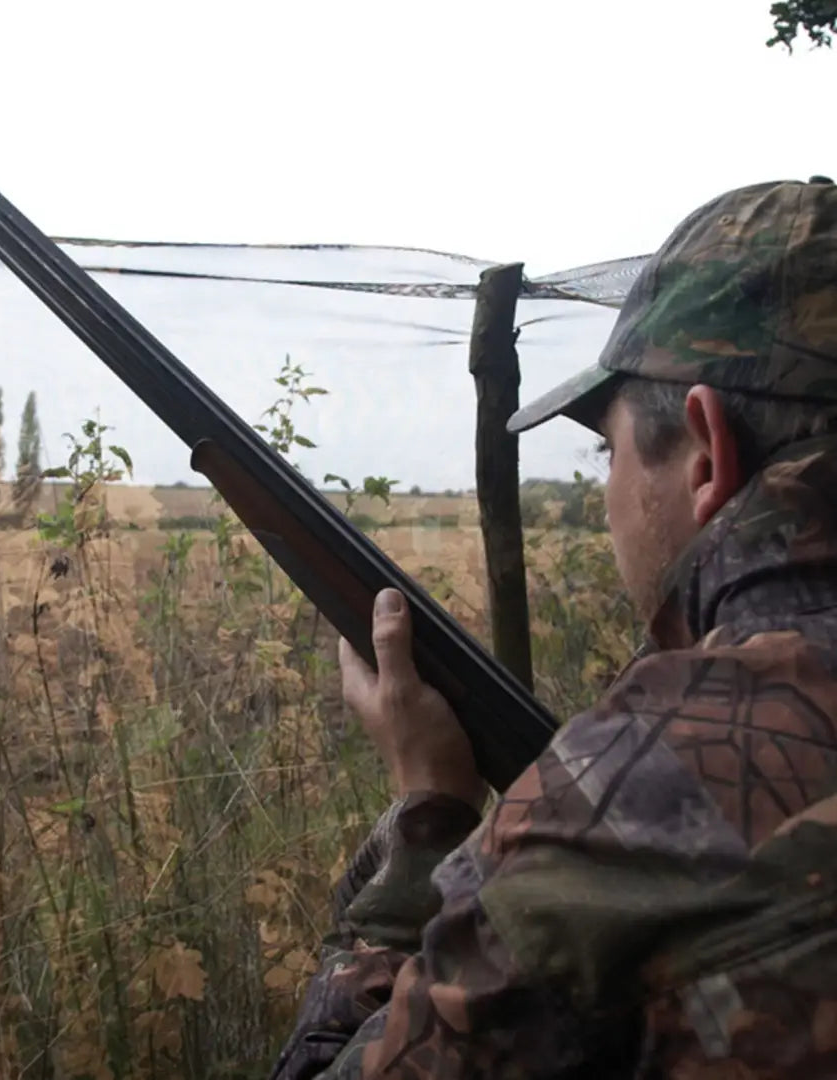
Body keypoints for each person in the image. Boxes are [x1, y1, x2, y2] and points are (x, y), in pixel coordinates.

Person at [270, 176, 837, 1078]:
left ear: (705, 453)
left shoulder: (631, 810)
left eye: (606, 450)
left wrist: (428, 818)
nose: (607, 489)